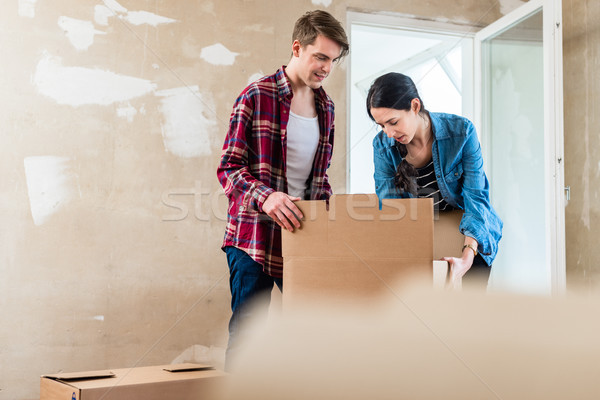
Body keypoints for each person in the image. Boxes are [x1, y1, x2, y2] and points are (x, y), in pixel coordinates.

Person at [217, 10, 348, 370]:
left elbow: (318, 179)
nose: (326, 68)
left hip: (302, 238)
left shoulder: (327, 107)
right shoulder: (256, 95)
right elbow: (229, 168)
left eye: (333, 61)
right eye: (320, 57)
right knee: (248, 339)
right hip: (253, 240)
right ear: (297, 47)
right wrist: (267, 196)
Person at [366, 72, 502, 288]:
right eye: (381, 125)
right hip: (420, 233)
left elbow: (476, 198)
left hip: (468, 231)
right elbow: (390, 206)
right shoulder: (382, 146)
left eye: (393, 122)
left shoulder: (462, 132)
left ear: (415, 106)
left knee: (466, 309)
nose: (389, 133)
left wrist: (466, 259)